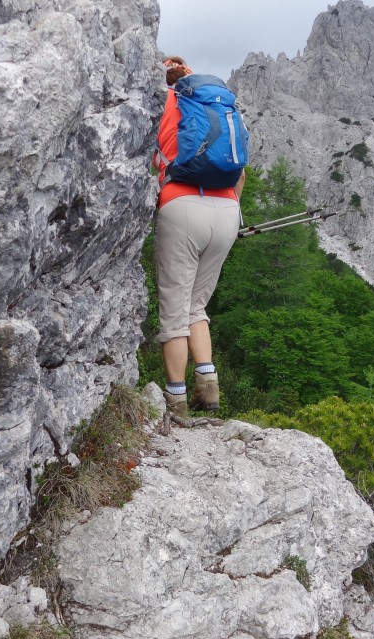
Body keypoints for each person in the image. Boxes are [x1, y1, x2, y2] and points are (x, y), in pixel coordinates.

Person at [152, 56, 245, 417]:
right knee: (196, 306)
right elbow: (239, 172)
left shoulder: (162, 102)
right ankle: (208, 387)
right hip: (226, 211)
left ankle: (175, 401)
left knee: (174, 311)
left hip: (181, 204)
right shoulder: (217, 107)